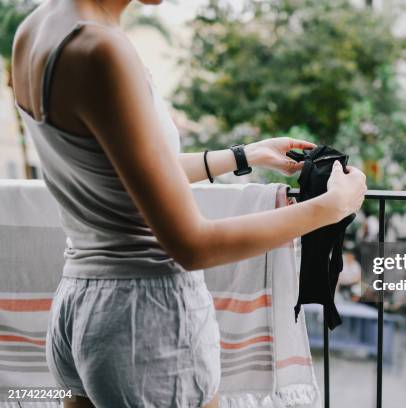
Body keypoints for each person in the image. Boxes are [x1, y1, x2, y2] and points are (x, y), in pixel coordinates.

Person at [11, 1, 367, 407]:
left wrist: (244, 155)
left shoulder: (38, 29)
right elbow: (193, 244)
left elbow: (127, 171)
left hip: (80, 305)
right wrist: (330, 207)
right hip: (145, 322)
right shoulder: (102, 49)